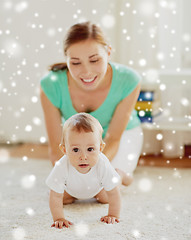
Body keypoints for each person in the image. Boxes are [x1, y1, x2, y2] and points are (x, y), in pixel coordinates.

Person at [40, 21, 143, 186]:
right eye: (75, 62)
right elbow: (56, 145)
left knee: (106, 186)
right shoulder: (50, 85)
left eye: (94, 60)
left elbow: (114, 138)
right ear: (66, 60)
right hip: (77, 140)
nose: (87, 71)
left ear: (108, 52)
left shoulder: (129, 79)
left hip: (122, 135)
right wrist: (70, 174)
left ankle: (124, 176)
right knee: (69, 190)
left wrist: (91, 170)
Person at [46, 113, 121, 228]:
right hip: (72, 189)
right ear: (64, 149)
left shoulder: (102, 164)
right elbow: (55, 195)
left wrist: (113, 214)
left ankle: (121, 175)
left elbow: (114, 193)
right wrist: (59, 218)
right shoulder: (62, 165)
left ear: (100, 148)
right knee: (61, 198)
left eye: (90, 149)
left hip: (97, 189)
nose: (83, 156)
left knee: (105, 198)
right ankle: (75, 195)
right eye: (76, 150)